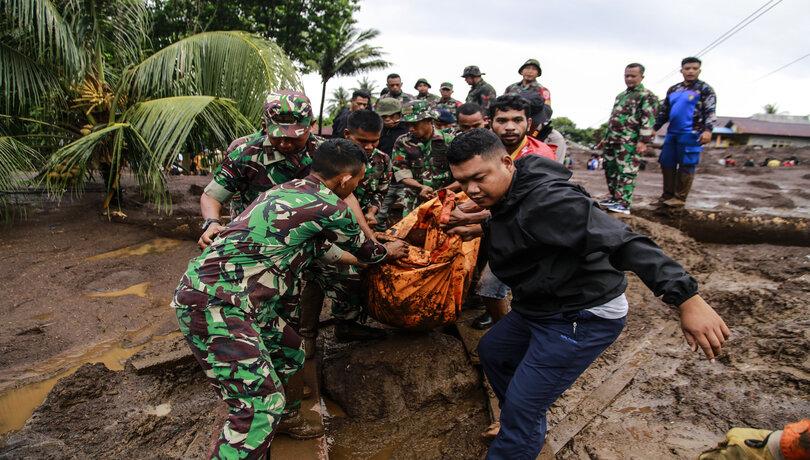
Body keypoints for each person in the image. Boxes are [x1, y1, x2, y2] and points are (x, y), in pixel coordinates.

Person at [445, 128, 730, 459]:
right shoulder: (509, 191)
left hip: (581, 313)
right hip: (541, 303)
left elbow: (624, 241)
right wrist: (485, 227)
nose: (471, 190)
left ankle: (519, 427)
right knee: (495, 351)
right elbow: (525, 225)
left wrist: (688, 299)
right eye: (463, 182)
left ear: (508, 163)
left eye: (478, 178)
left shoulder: (552, 201)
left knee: (524, 404)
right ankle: (520, 420)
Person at [172, 139, 408, 458]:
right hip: (218, 303)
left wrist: (358, 260)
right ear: (344, 180)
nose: (358, 185)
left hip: (244, 298)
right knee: (257, 411)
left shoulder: (288, 190)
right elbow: (368, 250)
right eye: (359, 180)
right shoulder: (332, 208)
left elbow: (321, 247)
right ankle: (266, 422)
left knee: (289, 348)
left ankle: (286, 419)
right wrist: (387, 251)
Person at [457, 94, 556, 330]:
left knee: (491, 286)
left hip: (531, 232)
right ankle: (492, 311)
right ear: (491, 122)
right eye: (502, 120)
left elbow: (524, 210)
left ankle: (505, 329)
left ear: (528, 123)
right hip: (502, 225)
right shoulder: (488, 148)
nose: (510, 127)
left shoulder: (539, 158)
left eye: (517, 120)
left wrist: (471, 218)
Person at [653, 56, 717, 208]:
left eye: (694, 68)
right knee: (666, 162)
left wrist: (708, 130)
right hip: (672, 132)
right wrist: (654, 128)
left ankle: (679, 198)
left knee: (687, 164)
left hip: (692, 132)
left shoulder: (705, 89)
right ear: (681, 70)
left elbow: (710, 111)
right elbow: (664, 112)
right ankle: (667, 195)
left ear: (699, 70)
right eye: (687, 68)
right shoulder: (674, 89)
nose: (690, 71)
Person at [596, 63, 659, 215]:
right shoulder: (621, 96)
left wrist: (643, 141)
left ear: (641, 77)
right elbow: (614, 119)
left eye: (633, 76)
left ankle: (623, 203)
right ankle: (614, 198)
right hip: (613, 140)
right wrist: (605, 138)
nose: (629, 79)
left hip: (630, 141)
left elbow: (648, 120)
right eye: (627, 76)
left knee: (626, 171)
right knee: (611, 169)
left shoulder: (647, 96)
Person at [391, 99, 456, 217]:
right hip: (414, 200)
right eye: (407, 124)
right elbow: (401, 173)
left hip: (446, 200)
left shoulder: (449, 141)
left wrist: (443, 191)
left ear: (429, 120)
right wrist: (420, 187)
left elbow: (462, 176)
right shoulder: (402, 142)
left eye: (414, 124)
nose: (410, 129)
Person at [374, 97, 410, 229]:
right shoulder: (378, 130)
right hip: (384, 181)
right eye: (384, 117)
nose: (388, 120)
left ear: (399, 115)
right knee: (378, 216)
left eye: (392, 116)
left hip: (405, 181)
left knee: (408, 215)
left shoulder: (408, 130)